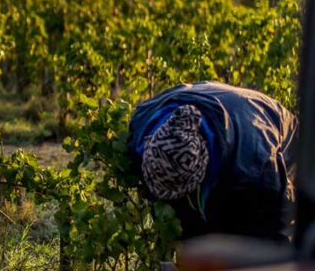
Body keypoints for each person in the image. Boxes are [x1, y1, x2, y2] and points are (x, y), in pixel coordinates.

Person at [127, 81, 298, 242]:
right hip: (222, 109)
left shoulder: (255, 164)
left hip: (272, 130)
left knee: (244, 232)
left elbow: (279, 220)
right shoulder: (142, 121)